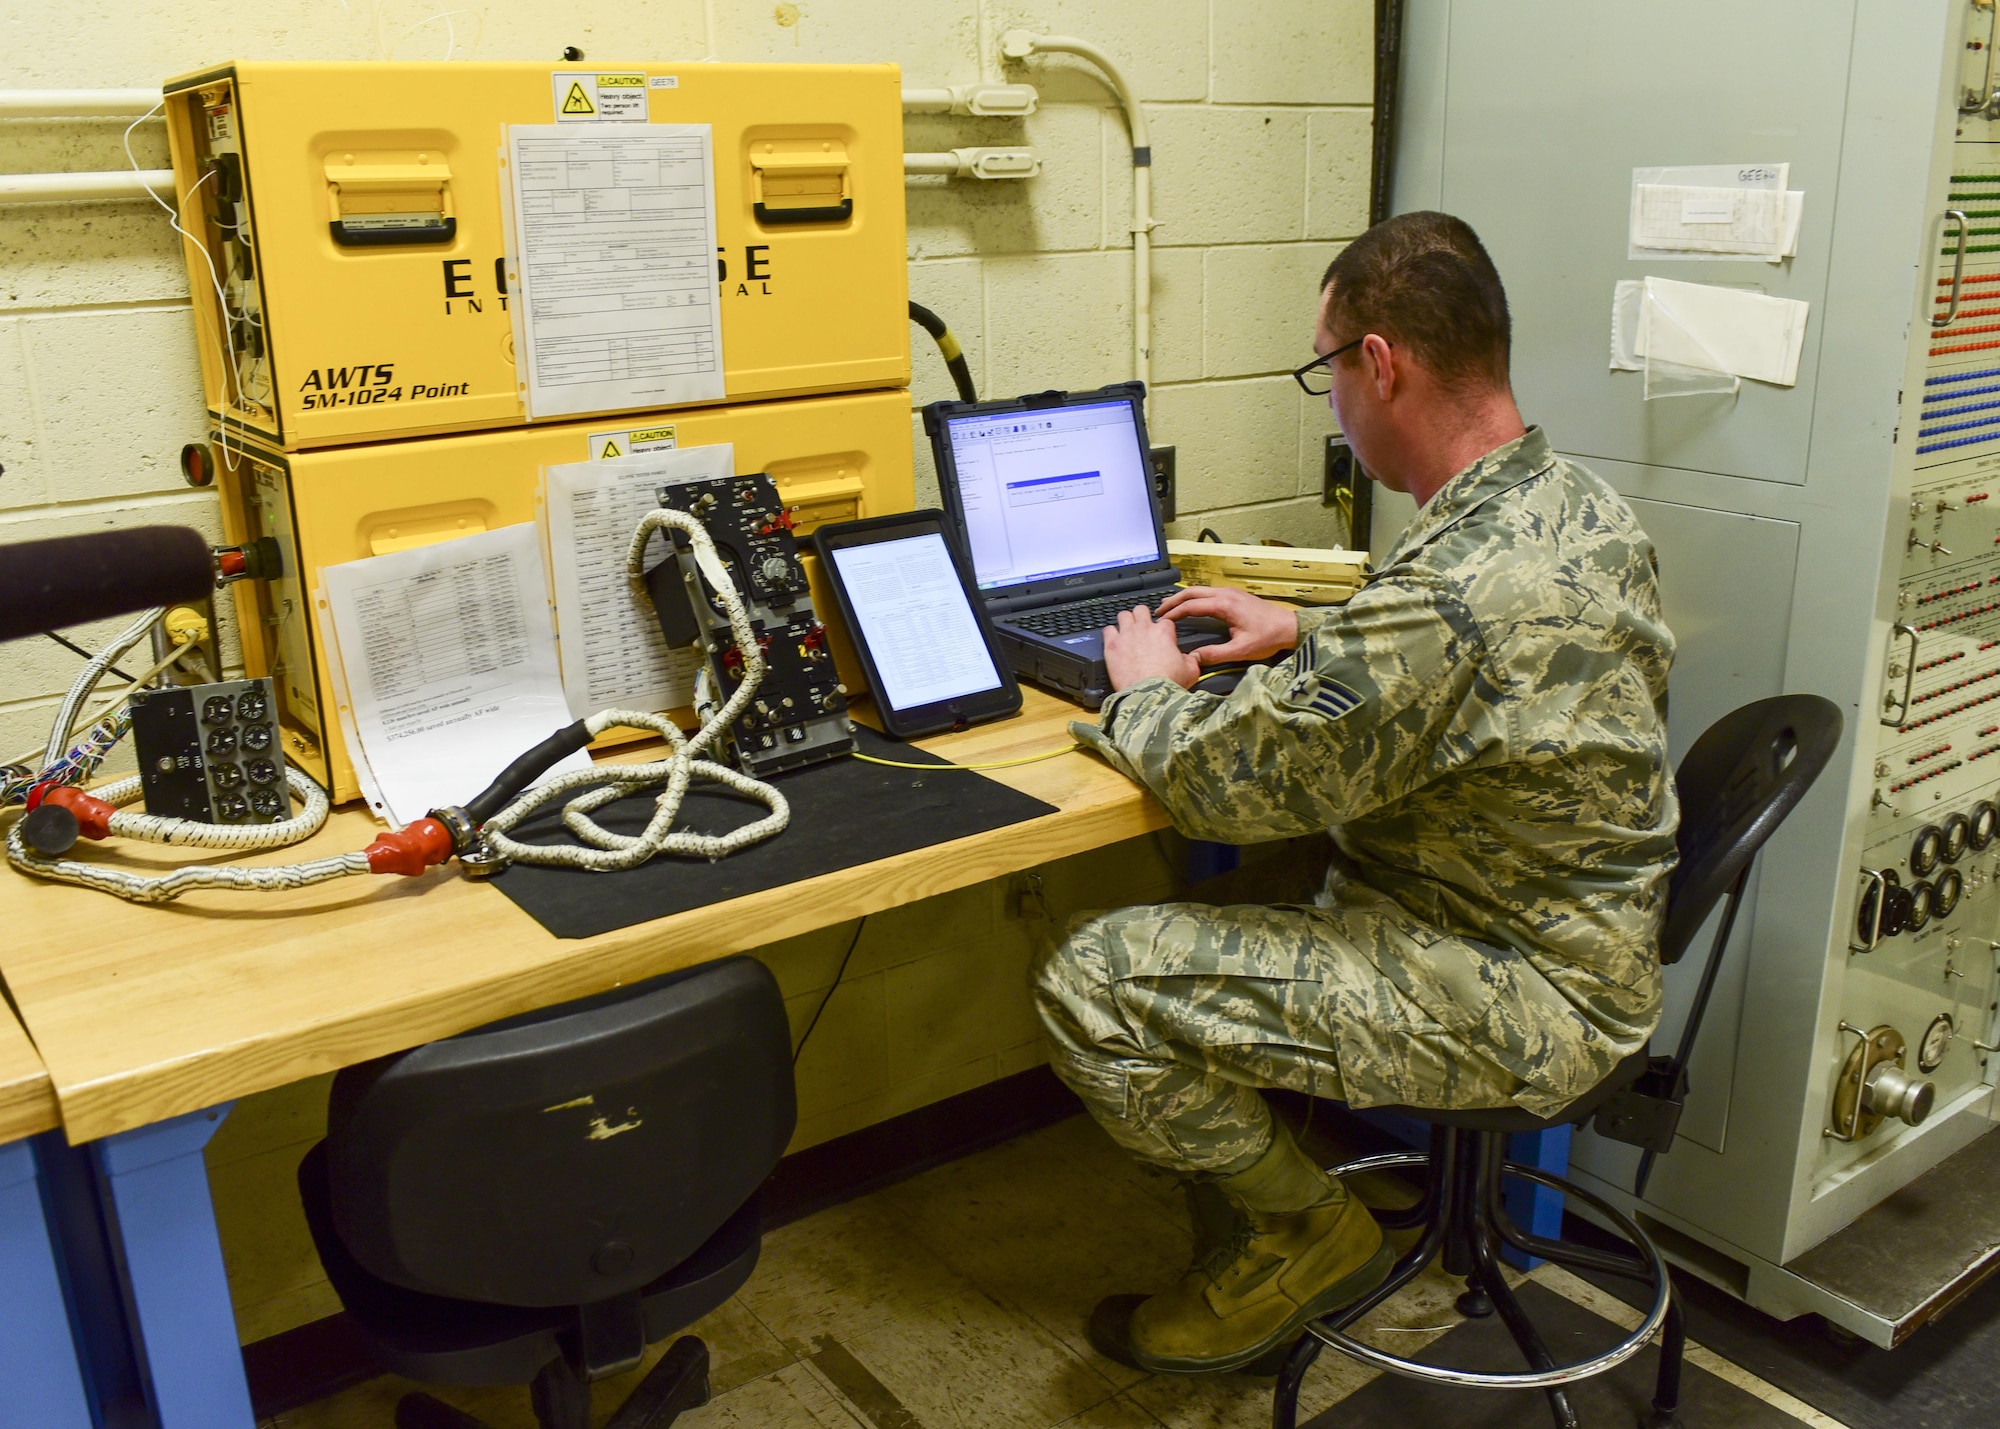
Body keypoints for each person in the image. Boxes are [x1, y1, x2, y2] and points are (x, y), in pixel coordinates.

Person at [1031, 211, 1679, 1376]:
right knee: (1228, 905)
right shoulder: (1572, 509)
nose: (1329, 399)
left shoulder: (1450, 589)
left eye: (1323, 369)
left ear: (1377, 363)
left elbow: (1223, 785)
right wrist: (1315, 632)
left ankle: (1302, 1231)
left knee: (1095, 980)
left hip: (1515, 990)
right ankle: (1278, 1201)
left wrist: (1134, 692)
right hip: (1578, 938)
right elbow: (1465, 660)